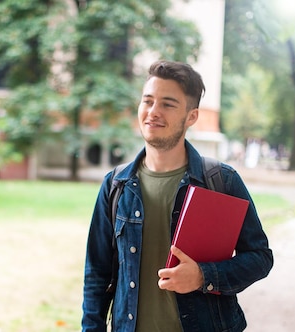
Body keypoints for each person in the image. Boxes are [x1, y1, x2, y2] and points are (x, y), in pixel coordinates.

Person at [81, 60, 273, 332]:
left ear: (191, 116)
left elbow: (260, 257)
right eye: (148, 101)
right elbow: (96, 275)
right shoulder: (116, 185)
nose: (153, 112)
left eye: (168, 104)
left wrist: (202, 277)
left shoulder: (221, 181)